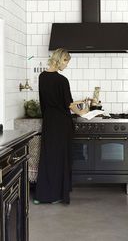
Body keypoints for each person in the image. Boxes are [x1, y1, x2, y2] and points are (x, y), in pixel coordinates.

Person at [34, 48, 83, 204]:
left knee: (48, 157)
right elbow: (68, 104)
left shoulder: (42, 77)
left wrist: (78, 102)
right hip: (62, 124)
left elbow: (49, 101)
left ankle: (43, 195)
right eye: (66, 61)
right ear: (60, 59)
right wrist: (82, 113)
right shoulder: (62, 80)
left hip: (49, 122)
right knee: (61, 158)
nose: (66, 65)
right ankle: (59, 194)